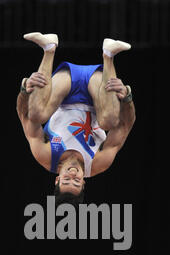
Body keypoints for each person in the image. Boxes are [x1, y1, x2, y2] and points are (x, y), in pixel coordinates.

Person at [16, 32, 136, 205]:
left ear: (57, 180)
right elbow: (125, 126)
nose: (72, 175)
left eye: (66, 180)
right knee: (109, 121)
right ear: (84, 182)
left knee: (36, 114)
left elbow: (24, 117)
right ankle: (108, 55)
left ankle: (49, 49)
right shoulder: (98, 163)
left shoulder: (45, 156)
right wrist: (127, 98)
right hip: (97, 93)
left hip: (64, 89)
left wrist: (24, 90)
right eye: (77, 181)